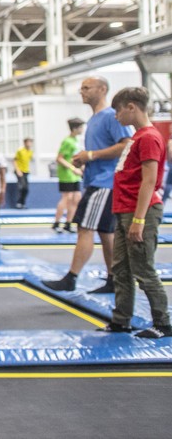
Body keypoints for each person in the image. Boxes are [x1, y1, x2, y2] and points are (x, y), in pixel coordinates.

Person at [43, 76, 132, 293]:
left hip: (104, 183)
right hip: (97, 180)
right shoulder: (94, 119)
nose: (82, 91)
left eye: (86, 88)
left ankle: (71, 277)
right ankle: (113, 279)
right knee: (105, 231)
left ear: (102, 89)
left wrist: (90, 155)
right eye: (81, 88)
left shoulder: (111, 116)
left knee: (85, 228)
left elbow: (127, 144)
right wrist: (84, 159)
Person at [99, 87, 170, 338]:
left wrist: (139, 219)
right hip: (124, 210)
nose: (116, 117)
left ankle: (163, 322)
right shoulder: (136, 138)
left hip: (140, 212)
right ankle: (122, 319)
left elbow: (149, 181)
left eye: (118, 111)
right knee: (121, 268)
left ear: (131, 107)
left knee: (143, 268)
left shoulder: (149, 137)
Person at [52, 118, 85, 234]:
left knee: (76, 198)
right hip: (66, 175)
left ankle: (68, 223)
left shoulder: (76, 140)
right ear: (75, 128)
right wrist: (73, 169)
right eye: (80, 127)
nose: (82, 129)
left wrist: (80, 167)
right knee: (66, 198)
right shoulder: (67, 141)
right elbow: (59, 158)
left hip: (74, 175)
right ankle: (56, 223)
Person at [13, 138, 33, 209]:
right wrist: (18, 170)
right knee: (21, 187)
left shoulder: (30, 151)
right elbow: (15, 161)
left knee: (26, 188)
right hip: (20, 171)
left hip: (26, 171)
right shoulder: (20, 151)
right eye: (28, 142)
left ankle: (22, 203)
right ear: (25, 143)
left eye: (30, 142)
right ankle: (18, 203)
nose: (29, 144)